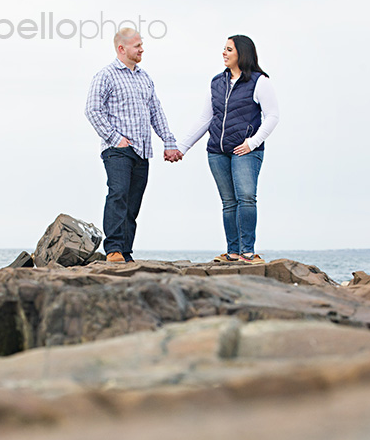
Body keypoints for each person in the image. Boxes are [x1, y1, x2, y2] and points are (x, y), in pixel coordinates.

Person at [178, 34, 279, 264]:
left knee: (246, 198)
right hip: (217, 150)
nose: (224, 53)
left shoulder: (259, 81)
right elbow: (206, 118)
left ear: (241, 53)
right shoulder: (217, 82)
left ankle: (248, 253)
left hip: (246, 150)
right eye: (224, 49)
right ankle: (233, 252)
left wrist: (252, 142)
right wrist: (182, 147)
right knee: (228, 202)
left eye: (229, 49)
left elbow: (273, 116)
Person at [85, 28, 182, 263]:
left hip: (143, 150)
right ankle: (114, 250)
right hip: (117, 150)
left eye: (141, 44)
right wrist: (114, 138)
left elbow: (155, 112)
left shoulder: (144, 77)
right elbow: (92, 109)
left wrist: (169, 142)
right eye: (137, 45)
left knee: (132, 202)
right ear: (122, 48)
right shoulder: (105, 75)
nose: (142, 49)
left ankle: (126, 252)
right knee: (118, 194)